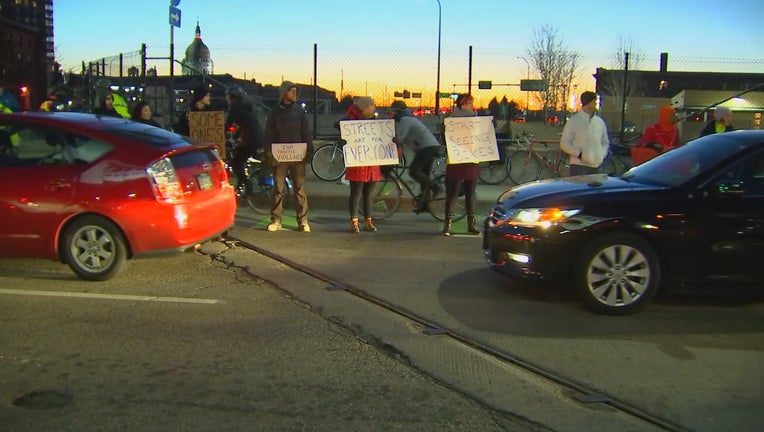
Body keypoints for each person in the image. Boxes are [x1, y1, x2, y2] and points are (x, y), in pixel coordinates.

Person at [263, 81, 313, 233]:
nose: (294, 93)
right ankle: (276, 219)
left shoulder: (300, 112)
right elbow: (269, 134)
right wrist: (268, 152)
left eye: (295, 91)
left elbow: (306, 133)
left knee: (299, 188)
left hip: (298, 157)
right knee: (278, 189)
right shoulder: (274, 113)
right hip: (280, 157)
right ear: (284, 93)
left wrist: (308, 151)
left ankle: (303, 221)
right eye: (291, 91)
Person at [389, 100, 442, 211]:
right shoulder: (406, 119)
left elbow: (400, 138)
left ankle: (436, 188)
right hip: (429, 147)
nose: (391, 114)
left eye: (392, 112)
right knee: (424, 175)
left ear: (397, 111)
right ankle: (425, 204)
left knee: (414, 171)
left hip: (427, 148)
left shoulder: (405, 120)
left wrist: (389, 140)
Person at [441, 94, 480, 236]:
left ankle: (471, 224)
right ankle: (447, 225)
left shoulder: (476, 121)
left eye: (472, 103)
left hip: (471, 160)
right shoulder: (451, 121)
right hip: (456, 160)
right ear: (462, 104)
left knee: (471, 193)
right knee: (453, 193)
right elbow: (444, 138)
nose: (471, 106)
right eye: (469, 103)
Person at [342, 97, 383, 233]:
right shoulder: (351, 121)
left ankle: (368, 221)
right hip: (358, 164)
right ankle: (354, 221)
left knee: (369, 194)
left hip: (372, 163)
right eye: (372, 105)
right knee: (356, 193)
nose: (374, 107)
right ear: (365, 107)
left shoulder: (375, 122)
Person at [225, 85, 264, 195]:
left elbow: (229, 124)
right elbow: (243, 125)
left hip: (251, 140)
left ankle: (248, 186)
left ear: (232, 96)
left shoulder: (235, 107)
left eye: (227, 96)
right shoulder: (244, 107)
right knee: (239, 158)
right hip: (257, 138)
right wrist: (234, 138)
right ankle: (240, 185)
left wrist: (221, 135)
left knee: (236, 163)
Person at [560, 91, 609, 175]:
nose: (596, 104)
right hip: (579, 166)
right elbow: (564, 143)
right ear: (588, 102)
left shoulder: (599, 122)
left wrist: (601, 155)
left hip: (596, 166)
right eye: (594, 102)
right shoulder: (574, 121)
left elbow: (605, 141)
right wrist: (579, 154)